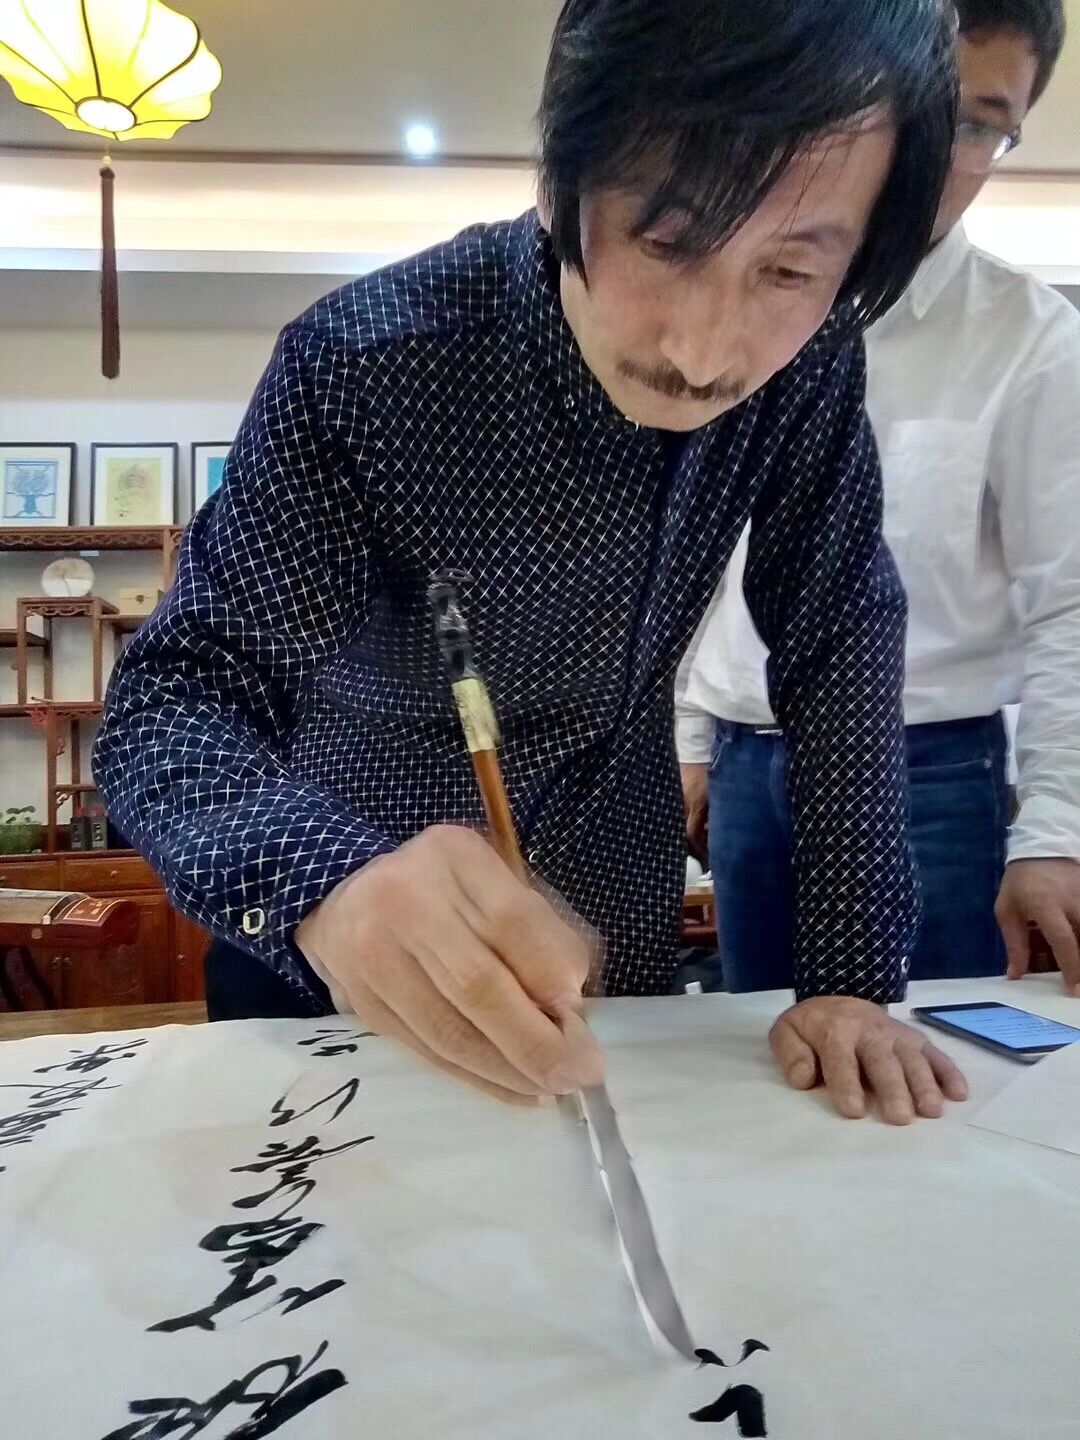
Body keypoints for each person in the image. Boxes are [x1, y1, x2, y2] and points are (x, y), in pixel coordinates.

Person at [94, 0, 967, 1124]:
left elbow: (838, 626)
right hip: (350, 927)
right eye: (669, 242)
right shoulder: (367, 362)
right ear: (562, 178)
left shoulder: (809, 366)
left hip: (615, 922)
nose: (706, 352)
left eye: (790, 272)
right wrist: (321, 877)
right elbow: (177, 697)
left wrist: (849, 977)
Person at [677, 0, 1079, 998]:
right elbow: (697, 549)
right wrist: (687, 738)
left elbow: (1070, 602)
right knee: (750, 1053)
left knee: (938, 1061)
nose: (936, 147)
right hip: (744, 763)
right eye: (919, 102)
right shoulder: (738, 302)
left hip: (928, 773)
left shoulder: (1034, 345)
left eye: (980, 123)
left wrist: (1056, 831)